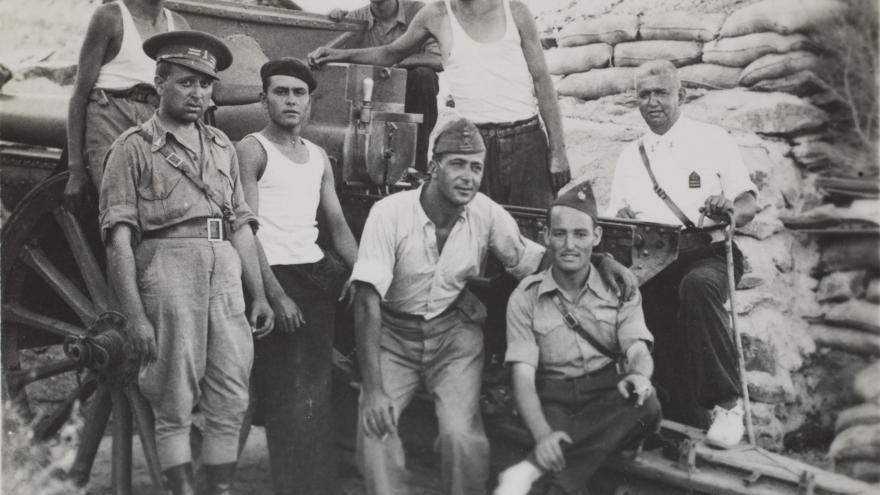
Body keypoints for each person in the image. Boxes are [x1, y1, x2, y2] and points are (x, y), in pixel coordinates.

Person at [349, 116, 636, 495]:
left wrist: (600, 260)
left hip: (453, 337)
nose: (468, 177)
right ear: (434, 167)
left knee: (461, 437)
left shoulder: (485, 212)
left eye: (476, 167)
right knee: (376, 430)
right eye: (457, 164)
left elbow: (534, 261)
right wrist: (373, 390)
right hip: (392, 336)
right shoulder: (390, 213)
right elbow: (367, 302)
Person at [99, 31, 274, 495]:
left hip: (226, 273)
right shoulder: (131, 149)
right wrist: (134, 316)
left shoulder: (221, 145)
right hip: (167, 269)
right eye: (185, 83)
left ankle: (217, 490)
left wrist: (257, 293)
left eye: (205, 85)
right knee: (174, 401)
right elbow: (119, 241)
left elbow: (240, 224)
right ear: (159, 83)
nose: (198, 94)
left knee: (232, 397)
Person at [606, 60, 758, 448]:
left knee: (698, 287)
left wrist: (728, 207)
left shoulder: (712, 139)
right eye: (644, 94)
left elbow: (747, 204)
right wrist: (621, 221)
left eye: (661, 93)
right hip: (653, 260)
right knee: (646, 318)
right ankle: (674, 419)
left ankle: (726, 403)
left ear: (681, 95)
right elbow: (616, 220)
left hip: (707, 252)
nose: (652, 102)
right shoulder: (630, 156)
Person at [308, 0, 571, 209]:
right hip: (472, 146)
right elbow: (390, 53)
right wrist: (338, 55)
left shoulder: (515, 11)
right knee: (476, 244)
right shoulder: (435, 15)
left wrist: (557, 151)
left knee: (534, 234)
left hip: (526, 141)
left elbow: (542, 81)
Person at [235, 58, 358, 495]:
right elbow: (245, 229)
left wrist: (360, 275)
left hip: (315, 277)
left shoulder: (318, 157)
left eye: (298, 93)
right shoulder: (252, 150)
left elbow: (338, 226)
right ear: (264, 97)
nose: (290, 100)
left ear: (309, 101)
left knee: (317, 389)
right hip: (274, 278)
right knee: (290, 397)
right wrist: (273, 294)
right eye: (281, 92)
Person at [495, 182, 661, 495]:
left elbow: (637, 348)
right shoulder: (526, 297)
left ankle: (530, 469)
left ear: (596, 237)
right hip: (556, 398)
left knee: (646, 402)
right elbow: (523, 378)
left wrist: (638, 376)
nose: (570, 244)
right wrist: (543, 435)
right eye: (560, 234)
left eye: (580, 234)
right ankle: (552, 477)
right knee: (557, 460)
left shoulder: (620, 289)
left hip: (608, 393)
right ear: (546, 236)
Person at [65, 0, 189, 210]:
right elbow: (79, 95)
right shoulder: (111, 17)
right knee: (120, 210)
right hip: (109, 118)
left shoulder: (179, 25)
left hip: (158, 123)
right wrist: (75, 169)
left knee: (163, 210)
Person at [328, 0, 442, 172]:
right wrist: (333, 24)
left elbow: (439, 59)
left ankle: (416, 165)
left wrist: (395, 62)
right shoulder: (355, 19)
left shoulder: (420, 12)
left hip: (409, 98)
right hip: (367, 99)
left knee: (424, 75)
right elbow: (332, 53)